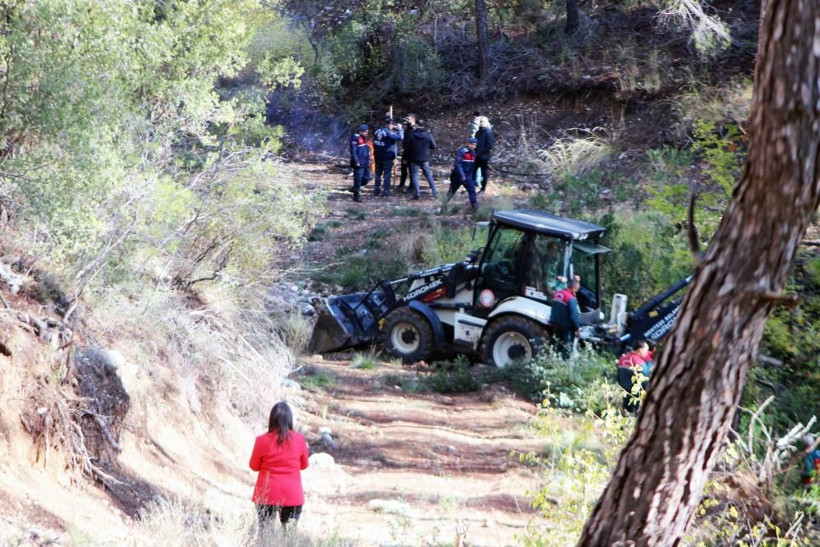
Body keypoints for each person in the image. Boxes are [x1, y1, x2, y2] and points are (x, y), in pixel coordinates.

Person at [249, 402, 310, 536]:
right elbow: (304, 465)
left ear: (272, 419)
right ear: (290, 419)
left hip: (267, 493)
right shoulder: (299, 439)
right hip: (292, 494)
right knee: (288, 535)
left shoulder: (261, 440)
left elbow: (253, 466)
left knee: (265, 534)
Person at [443, 137, 478, 213]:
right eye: (471, 144)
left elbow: (472, 167)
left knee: (472, 191)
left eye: (474, 145)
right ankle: (443, 206)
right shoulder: (462, 152)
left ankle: (475, 209)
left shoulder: (474, 154)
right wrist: (462, 175)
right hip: (458, 176)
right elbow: (458, 164)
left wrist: (472, 178)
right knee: (452, 191)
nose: (473, 146)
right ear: (468, 143)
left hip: (468, 176)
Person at [617, 340, 653, 413]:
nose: (647, 352)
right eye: (646, 350)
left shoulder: (622, 358)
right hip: (636, 391)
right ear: (640, 350)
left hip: (626, 389)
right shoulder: (637, 360)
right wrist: (649, 360)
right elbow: (648, 374)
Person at [407, 119, 439, 200]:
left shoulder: (412, 135)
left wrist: (407, 157)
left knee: (415, 176)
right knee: (428, 175)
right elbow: (434, 146)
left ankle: (417, 194)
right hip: (424, 158)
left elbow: (408, 148)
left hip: (414, 158)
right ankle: (434, 192)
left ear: (416, 125)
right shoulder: (428, 135)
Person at [550, 278, 581, 359]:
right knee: (567, 348)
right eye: (576, 290)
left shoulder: (556, 294)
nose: (576, 292)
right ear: (573, 288)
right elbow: (574, 316)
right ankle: (565, 364)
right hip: (566, 327)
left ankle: (555, 360)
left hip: (554, 324)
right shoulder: (571, 299)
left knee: (557, 345)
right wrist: (577, 328)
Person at [372, 117, 404, 197]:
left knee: (378, 174)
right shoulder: (388, 132)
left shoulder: (377, 131)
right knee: (387, 174)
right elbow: (400, 138)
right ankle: (386, 192)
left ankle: (377, 190)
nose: (393, 126)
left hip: (378, 156)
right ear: (390, 124)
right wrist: (400, 129)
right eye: (392, 124)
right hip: (387, 157)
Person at [349, 124, 371, 203]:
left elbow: (366, 149)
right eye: (365, 132)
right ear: (361, 131)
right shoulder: (355, 138)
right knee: (358, 179)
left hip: (365, 162)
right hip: (359, 163)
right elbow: (353, 151)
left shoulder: (364, 137)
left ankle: (355, 188)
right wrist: (356, 161)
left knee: (367, 178)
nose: (366, 133)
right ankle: (356, 196)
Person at [474, 116, 494, 194]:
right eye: (481, 121)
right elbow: (475, 143)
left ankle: (483, 189)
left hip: (484, 157)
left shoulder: (488, 132)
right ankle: (471, 187)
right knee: (473, 171)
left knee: (484, 173)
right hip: (476, 156)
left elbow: (490, 144)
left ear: (486, 122)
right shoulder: (478, 132)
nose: (482, 123)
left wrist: (482, 152)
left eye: (483, 122)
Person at [396, 114, 416, 193]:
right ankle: (401, 185)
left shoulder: (415, 130)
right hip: (405, 152)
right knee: (403, 170)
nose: (407, 121)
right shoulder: (407, 129)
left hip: (412, 153)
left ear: (413, 120)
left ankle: (412, 187)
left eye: (409, 119)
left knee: (412, 171)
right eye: (406, 119)